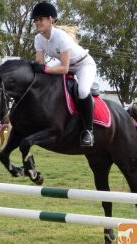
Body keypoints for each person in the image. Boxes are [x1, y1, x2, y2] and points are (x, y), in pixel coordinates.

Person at [30, 1, 97, 147]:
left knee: (83, 90)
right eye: (35, 20)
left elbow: (65, 69)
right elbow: (40, 65)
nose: (37, 23)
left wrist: (45, 70)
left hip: (83, 64)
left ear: (51, 19)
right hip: (63, 64)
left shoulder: (61, 37)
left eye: (40, 19)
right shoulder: (38, 39)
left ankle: (88, 132)